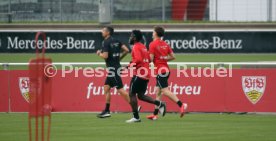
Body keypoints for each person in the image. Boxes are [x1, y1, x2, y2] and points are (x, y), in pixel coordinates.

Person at [147, 26, 188, 120]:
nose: (152, 33)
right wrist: (164, 59)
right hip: (166, 70)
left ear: (156, 33)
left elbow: (151, 59)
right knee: (157, 92)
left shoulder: (152, 44)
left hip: (160, 71)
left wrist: (143, 61)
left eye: (153, 32)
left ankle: (182, 105)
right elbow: (173, 56)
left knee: (165, 91)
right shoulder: (165, 44)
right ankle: (155, 115)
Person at [126, 30, 166, 123]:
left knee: (131, 94)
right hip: (146, 74)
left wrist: (130, 65)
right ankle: (160, 103)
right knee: (140, 95)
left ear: (135, 37)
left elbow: (138, 59)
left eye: (131, 36)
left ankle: (136, 117)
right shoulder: (143, 47)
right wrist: (133, 63)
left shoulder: (136, 46)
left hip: (140, 74)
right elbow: (148, 59)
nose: (130, 37)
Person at [96, 26, 130, 118]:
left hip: (113, 69)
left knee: (121, 90)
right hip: (115, 68)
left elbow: (105, 56)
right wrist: (119, 58)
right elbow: (126, 50)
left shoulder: (105, 42)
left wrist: (99, 53)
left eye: (103, 30)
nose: (101, 32)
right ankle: (107, 110)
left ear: (108, 33)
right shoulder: (117, 41)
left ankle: (135, 106)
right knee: (106, 88)